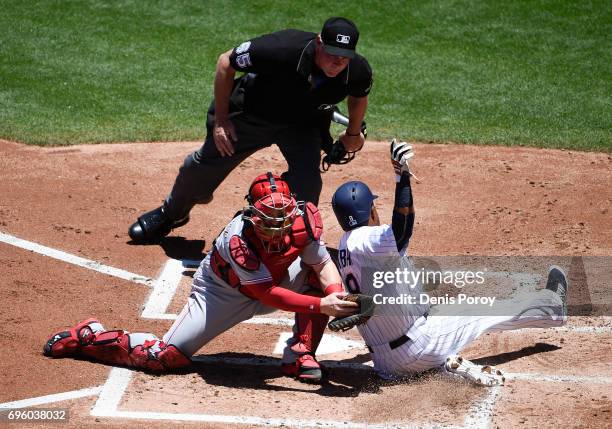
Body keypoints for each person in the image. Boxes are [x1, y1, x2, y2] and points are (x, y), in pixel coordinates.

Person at [45, 173, 359, 383]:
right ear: (253, 213)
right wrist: (322, 306)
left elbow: (321, 264)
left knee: (321, 280)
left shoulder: (304, 220)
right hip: (222, 294)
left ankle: (300, 354)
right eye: (268, 217)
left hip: (274, 281)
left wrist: (336, 294)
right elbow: (267, 294)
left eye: (282, 216)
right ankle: (89, 337)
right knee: (164, 358)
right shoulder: (238, 240)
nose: (277, 224)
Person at [330, 140, 570, 385]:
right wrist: (401, 177)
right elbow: (402, 231)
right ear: (370, 211)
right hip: (416, 347)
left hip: (385, 364)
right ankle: (552, 307)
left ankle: (443, 366)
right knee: (482, 309)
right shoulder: (368, 238)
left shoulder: (344, 247)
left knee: (428, 306)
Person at [128, 17, 373, 243]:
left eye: (344, 56)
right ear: (319, 43)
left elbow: (358, 96)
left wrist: (352, 134)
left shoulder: (357, 70)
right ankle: (171, 213)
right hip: (252, 115)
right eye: (332, 53)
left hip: (301, 125)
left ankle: (296, 244)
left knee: (307, 183)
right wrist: (221, 120)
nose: (338, 62)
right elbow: (226, 62)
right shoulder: (282, 48)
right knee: (202, 167)